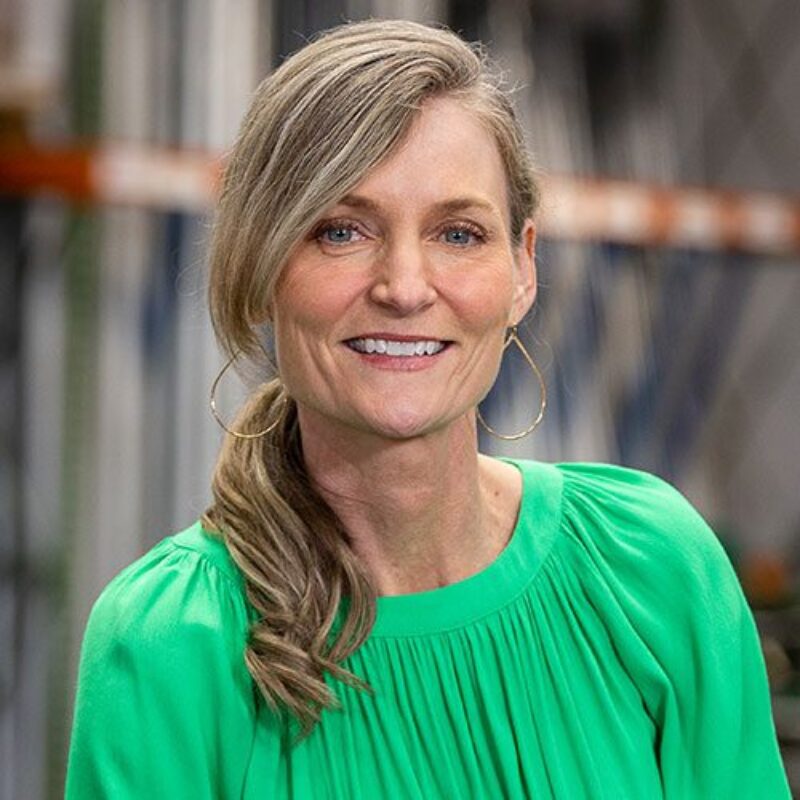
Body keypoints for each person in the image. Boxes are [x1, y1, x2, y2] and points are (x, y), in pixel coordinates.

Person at [65, 18, 790, 800]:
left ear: (523, 268)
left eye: (458, 233)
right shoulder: (169, 644)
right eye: (341, 231)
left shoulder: (649, 568)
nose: (405, 287)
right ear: (261, 263)